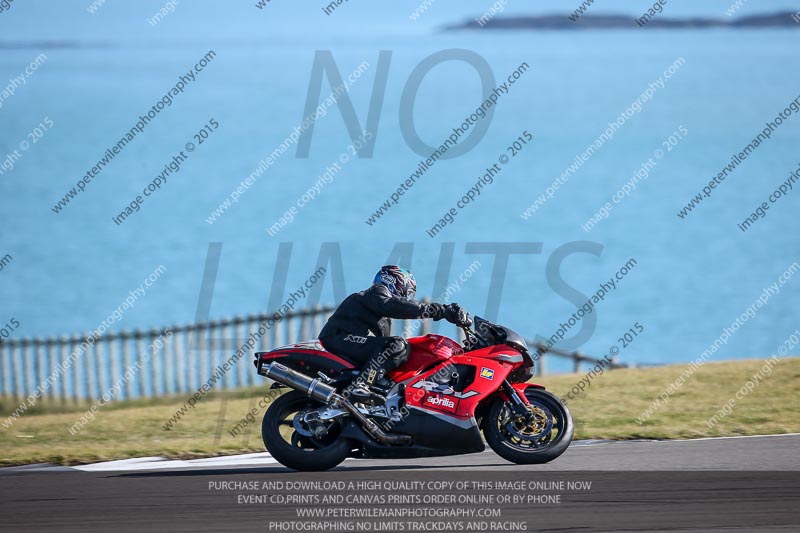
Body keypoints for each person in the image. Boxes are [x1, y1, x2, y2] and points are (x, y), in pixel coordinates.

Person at [318, 265, 470, 398]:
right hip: (338, 338)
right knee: (397, 344)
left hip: (348, 343)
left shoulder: (382, 316)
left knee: (401, 348)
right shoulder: (375, 293)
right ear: (394, 282)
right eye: (406, 290)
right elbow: (392, 305)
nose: (406, 296)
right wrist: (440, 310)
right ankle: (360, 385)